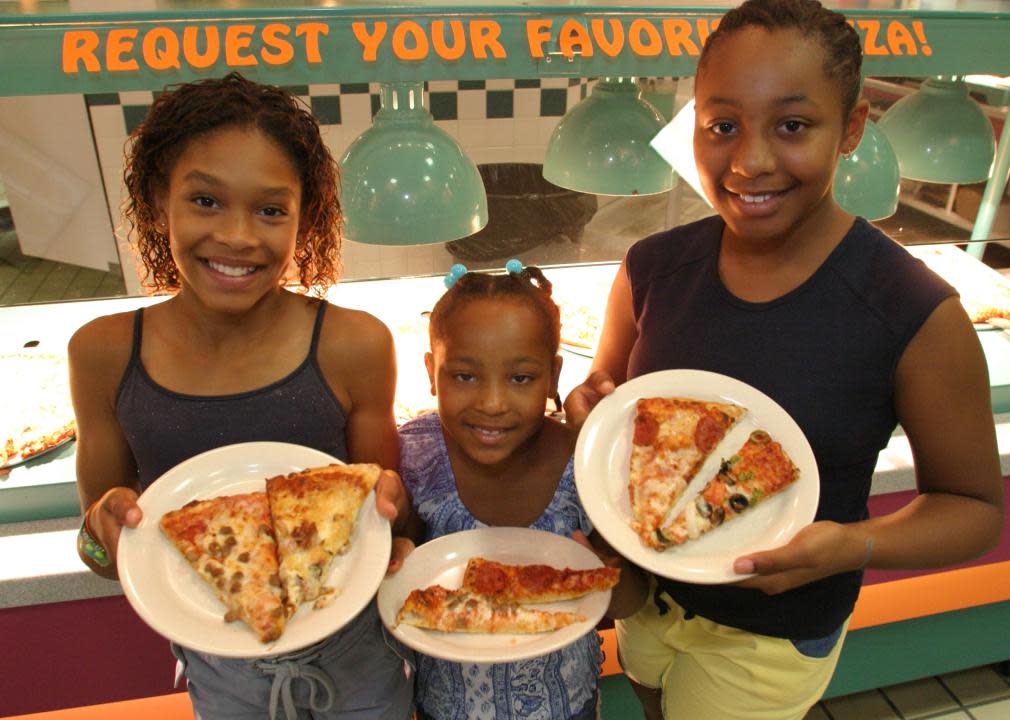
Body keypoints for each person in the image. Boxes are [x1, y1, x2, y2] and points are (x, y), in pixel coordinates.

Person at [562, 1, 1004, 718]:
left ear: (852, 128)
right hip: (648, 597)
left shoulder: (915, 312)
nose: (750, 161)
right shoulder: (651, 267)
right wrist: (588, 406)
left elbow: (975, 510)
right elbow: (606, 392)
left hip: (772, 638)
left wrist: (852, 545)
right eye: (722, 126)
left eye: (792, 125)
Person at [69, 72, 413, 720]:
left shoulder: (354, 344)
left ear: (304, 219)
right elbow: (102, 557)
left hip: (359, 663)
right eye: (205, 201)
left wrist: (394, 511)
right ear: (154, 204)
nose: (236, 236)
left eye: (270, 210)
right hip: (218, 668)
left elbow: (384, 513)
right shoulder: (103, 352)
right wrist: (102, 528)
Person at [395, 263, 649, 720]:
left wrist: (606, 559)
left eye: (520, 378)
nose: (492, 403)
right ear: (432, 371)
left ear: (553, 377)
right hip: (443, 705)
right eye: (465, 376)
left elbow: (630, 601)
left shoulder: (582, 462)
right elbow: (400, 571)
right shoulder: (414, 455)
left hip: (565, 702)